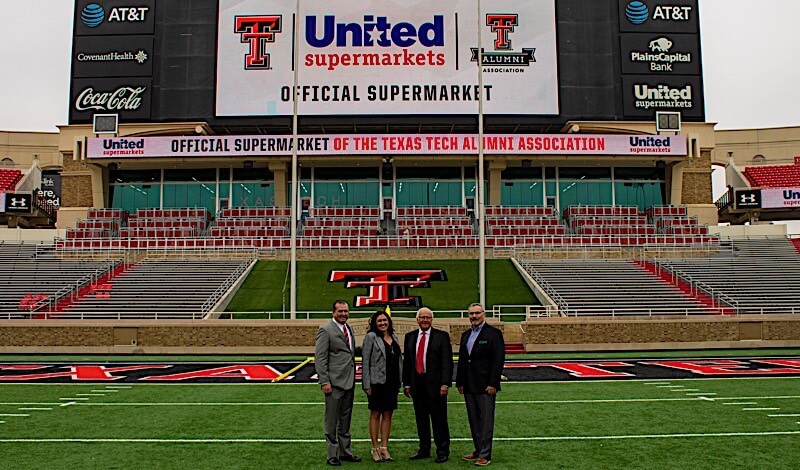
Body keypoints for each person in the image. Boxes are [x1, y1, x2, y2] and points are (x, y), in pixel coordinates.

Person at [456, 303, 505, 467]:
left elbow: (498, 361)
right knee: (474, 420)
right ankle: (478, 450)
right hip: (469, 385)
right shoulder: (465, 335)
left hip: (485, 386)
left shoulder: (493, 334)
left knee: (485, 421)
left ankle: (485, 454)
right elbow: (463, 361)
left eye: (477, 313)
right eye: (471, 314)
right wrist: (460, 382)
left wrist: (493, 383)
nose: (474, 316)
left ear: (483, 314)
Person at [402, 307, 453, 463]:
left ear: (432, 320)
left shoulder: (442, 336)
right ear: (417, 319)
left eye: (428, 317)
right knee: (421, 419)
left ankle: (442, 451)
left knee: (439, 420)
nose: (425, 320)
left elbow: (447, 362)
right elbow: (408, 363)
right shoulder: (410, 337)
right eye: (422, 317)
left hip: (436, 386)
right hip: (417, 385)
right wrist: (407, 383)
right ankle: (424, 449)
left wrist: (445, 383)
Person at [315, 299, 362, 466]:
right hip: (333, 383)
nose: (344, 314)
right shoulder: (325, 330)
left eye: (346, 311)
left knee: (345, 419)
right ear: (333, 312)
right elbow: (320, 358)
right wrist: (324, 381)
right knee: (331, 420)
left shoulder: (348, 328)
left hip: (349, 381)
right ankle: (332, 455)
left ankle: (345, 452)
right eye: (340, 311)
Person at [361, 310, 402, 462]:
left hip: (392, 383)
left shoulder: (394, 338)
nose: (383, 323)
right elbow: (365, 361)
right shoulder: (371, 337)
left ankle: (384, 447)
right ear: (374, 323)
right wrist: (366, 383)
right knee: (375, 414)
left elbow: (398, 361)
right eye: (379, 321)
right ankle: (375, 448)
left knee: (388, 414)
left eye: (385, 320)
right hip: (376, 383)